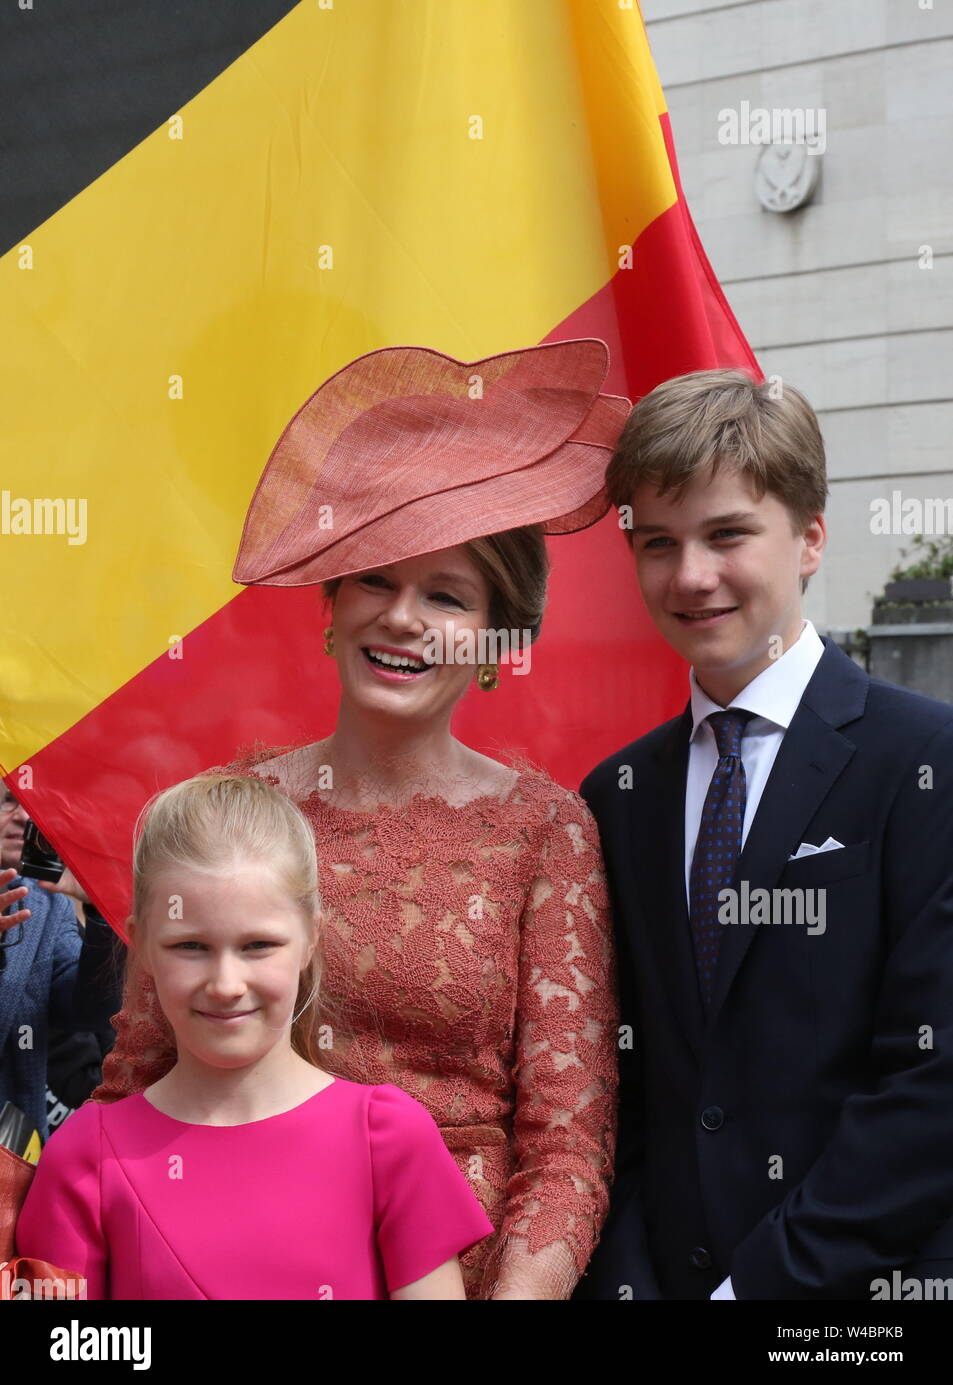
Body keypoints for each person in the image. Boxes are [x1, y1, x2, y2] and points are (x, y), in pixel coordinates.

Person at [87, 339, 625, 1299]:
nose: (403, 617)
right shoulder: (230, 813)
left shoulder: (546, 832)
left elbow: (565, 1142)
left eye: (447, 596)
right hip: (232, 1257)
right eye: (377, 579)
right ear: (331, 606)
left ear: (498, 641)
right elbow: (139, 1076)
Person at [574, 367, 953, 1300]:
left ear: (811, 538)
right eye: (657, 543)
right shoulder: (617, 794)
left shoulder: (926, 761)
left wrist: (757, 1292)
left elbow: (932, 1081)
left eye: (727, 533)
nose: (690, 575)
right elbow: (617, 1087)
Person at [17, 774, 493, 1299]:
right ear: (143, 946)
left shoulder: (390, 1138)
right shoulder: (86, 1156)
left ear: (310, 939)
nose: (225, 985)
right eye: (190, 946)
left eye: (258, 945)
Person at [0, 791, 120, 1141]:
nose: (24, 817)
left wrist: (104, 910)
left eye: (34, 803)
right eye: (8, 801)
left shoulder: (45, 905)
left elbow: (90, 1012)